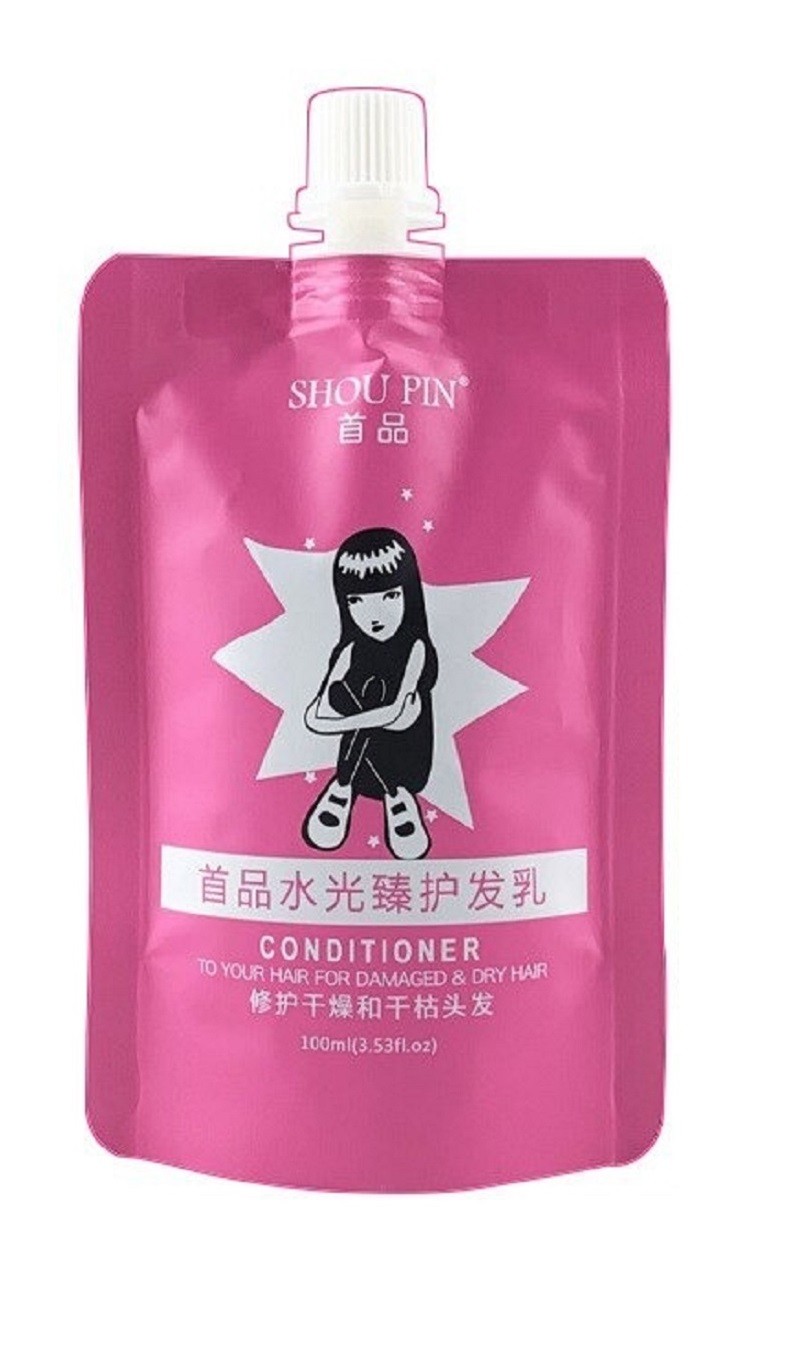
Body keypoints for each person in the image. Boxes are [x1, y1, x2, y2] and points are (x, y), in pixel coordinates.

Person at [303, 528, 438, 859]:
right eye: (357, 601)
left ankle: (342, 789)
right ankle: (396, 800)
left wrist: (342, 722)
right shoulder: (348, 649)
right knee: (351, 694)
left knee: (361, 694)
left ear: (409, 594)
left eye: (389, 596)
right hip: (366, 759)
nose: (373, 614)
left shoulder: (416, 648)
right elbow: (317, 711)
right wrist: (365, 716)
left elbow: (397, 717)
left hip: (407, 756)